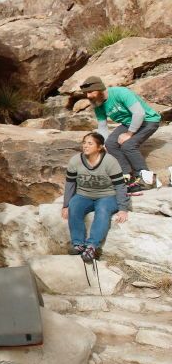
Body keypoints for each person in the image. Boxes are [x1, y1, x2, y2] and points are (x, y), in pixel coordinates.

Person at [80, 76, 161, 192]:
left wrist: (129, 134)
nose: (88, 96)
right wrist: (102, 145)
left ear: (100, 89)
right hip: (128, 123)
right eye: (86, 93)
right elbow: (102, 126)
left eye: (90, 92)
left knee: (128, 145)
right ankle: (126, 176)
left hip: (148, 121)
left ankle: (148, 180)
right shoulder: (97, 104)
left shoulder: (121, 93)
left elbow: (139, 114)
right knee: (110, 144)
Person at [62, 132, 129, 262]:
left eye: (90, 143)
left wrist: (123, 208)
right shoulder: (75, 160)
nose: (85, 146)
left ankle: (92, 246)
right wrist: (66, 205)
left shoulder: (110, 161)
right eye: (84, 143)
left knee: (103, 210)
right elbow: (70, 184)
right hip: (83, 195)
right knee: (74, 206)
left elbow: (120, 186)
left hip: (107, 196)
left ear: (99, 147)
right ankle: (78, 244)